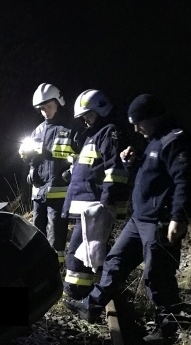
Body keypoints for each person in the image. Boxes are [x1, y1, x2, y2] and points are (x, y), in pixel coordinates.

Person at [64, 93, 191, 345]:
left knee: (157, 274)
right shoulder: (153, 140)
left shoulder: (175, 141)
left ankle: (167, 326)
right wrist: (131, 163)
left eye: (139, 123)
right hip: (139, 220)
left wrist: (178, 218)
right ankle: (91, 306)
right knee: (115, 262)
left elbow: (185, 181)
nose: (136, 129)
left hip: (158, 221)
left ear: (154, 117)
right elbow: (150, 175)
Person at [61, 89, 130, 299]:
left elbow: (114, 169)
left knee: (79, 251)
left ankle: (76, 293)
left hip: (95, 205)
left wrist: (107, 200)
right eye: (84, 117)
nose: (87, 120)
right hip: (87, 203)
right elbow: (92, 166)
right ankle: (85, 291)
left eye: (89, 115)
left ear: (101, 110)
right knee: (86, 250)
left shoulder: (109, 133)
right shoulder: (94, 135)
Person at [19, 83, 75, 267]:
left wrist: (67, 175)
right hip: (38, 194)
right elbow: (33, 159)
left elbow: (81, 158)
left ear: (58, 103)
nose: (45, 112)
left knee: (56, 237)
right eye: (42, 109)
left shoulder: (69, 129)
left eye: (49, 107)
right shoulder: (37, 131)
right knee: (37, 233)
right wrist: (30, 168)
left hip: (58, 193)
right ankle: (37, 267)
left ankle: (55, 270)